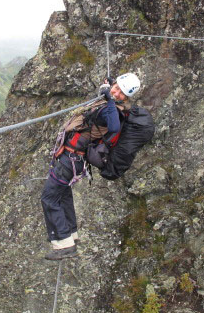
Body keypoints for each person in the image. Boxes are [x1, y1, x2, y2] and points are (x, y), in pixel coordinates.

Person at [41, 73, 141, 260]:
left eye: (120, 92)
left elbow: (113, 126)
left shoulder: (111, 109)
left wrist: (110, 98)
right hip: (73, 160)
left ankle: (63, 244)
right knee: (62, 196)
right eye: (116, 87)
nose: (115, 92)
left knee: (49, 198)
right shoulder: (111, 104)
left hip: (70, 160)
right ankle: (71, 235)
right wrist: (110, 88)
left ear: (126, 98)